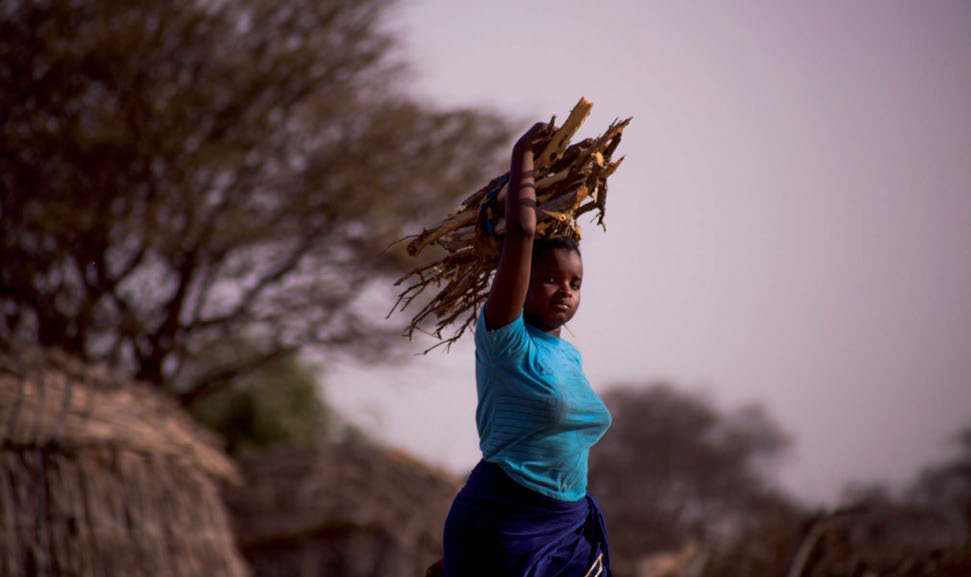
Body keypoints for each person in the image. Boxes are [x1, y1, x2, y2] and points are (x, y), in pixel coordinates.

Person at [441, 123, 613, 577]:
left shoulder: (568, 356)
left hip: (564, 525)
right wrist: (522, 157)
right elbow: (520, 232)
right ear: (521, 283)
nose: (565, 291)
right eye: (551, 278)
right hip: (505, 521)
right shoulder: (506, 339)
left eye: (575, 283)